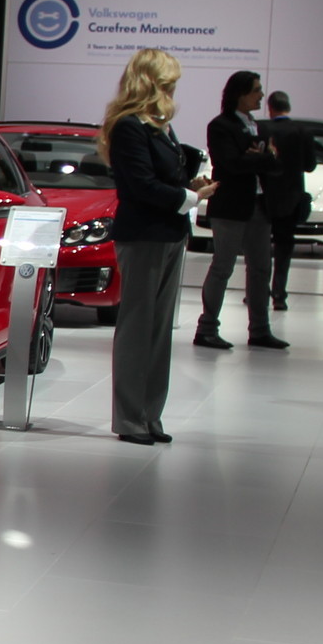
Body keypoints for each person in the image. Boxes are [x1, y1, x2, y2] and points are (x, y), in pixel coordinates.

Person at [100, 48, 212, 445]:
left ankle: (149, 416)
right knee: (137, 328)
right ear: (150, 82)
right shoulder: (129, 126)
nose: (173, 90)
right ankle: (130, 418)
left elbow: (163, 179)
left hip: (169, 233)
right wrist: (191, 198)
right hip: (144, 235)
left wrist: (189, 191)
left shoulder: (160, 126)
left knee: (159, 331)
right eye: (168, 83)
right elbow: (141, 186)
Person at [196, 69, 285, 350]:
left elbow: (274, 164)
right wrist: (262, 158)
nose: (261, 95)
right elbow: (230, 163)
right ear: (240, 94)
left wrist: (260, 158)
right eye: (256, 90)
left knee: (260, 268)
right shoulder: (220, 125)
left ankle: (260, 329)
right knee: (223, 266)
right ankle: (207, 327)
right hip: (230, 206)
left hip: (259, 205)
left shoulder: (259, 126)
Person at [260, 91, 314, 312]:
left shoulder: (263, 129)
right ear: (288, 107)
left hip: (264, 195)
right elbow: (310, 165)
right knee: (284, 247)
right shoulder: (302, 131)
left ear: (270, 107)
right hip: (291, 196)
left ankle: (258, 290)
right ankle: (279, 295)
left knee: (260, 246)